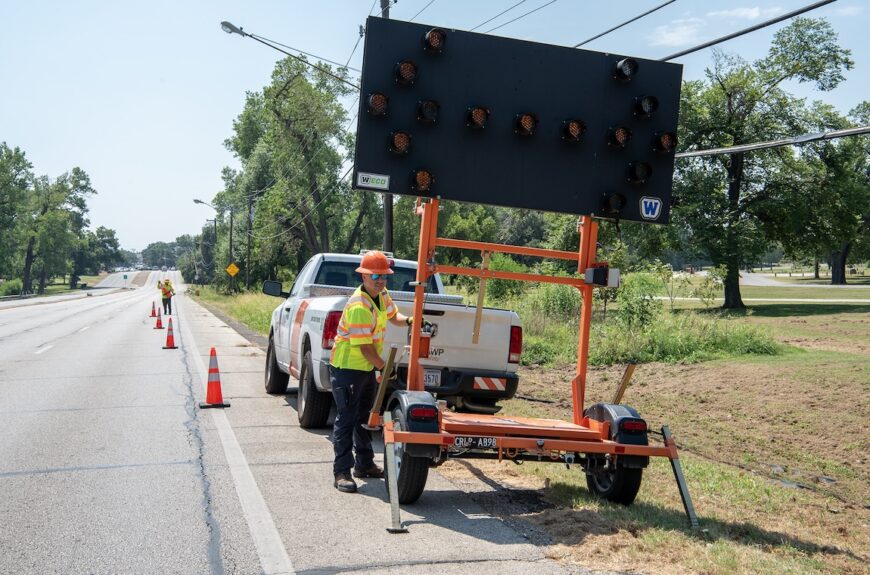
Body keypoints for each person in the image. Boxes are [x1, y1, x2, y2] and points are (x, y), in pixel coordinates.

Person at [328, 250, 421, 494]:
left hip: (366, 368)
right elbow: (365, 347)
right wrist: (384, 367)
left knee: (365, 417)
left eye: (385, 276)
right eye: (376, 276)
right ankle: (342, 472)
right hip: (348, 369)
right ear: (364, 275)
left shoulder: (381, 295)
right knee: (347, 419)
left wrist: (409, 321)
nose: (381, 280)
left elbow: (393, 316)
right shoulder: (359, 305)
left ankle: (365, 464)